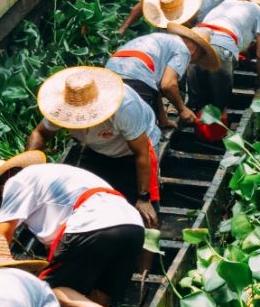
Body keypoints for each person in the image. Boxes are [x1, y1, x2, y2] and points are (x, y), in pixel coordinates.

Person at [0, 151, 142, 307]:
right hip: (132, 225)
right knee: (98, 301)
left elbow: (1, 238)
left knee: (47, 291)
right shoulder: (49, 179)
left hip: (93, 223)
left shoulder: (15, 183)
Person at [27, 66, 160, 228]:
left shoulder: (124, 106)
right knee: (87, 202)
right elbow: (40, 134)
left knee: (140, 213)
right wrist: (28, 169)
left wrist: (143, 198)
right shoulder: (60, 109)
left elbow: (142, 154)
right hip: (96, 148)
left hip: (134, 150)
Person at [106, 26, 220, 130]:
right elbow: (168, 85)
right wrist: (182, 109)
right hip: (135, 77)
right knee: (140, 130)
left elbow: (154, 87)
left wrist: (163, 120)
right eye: (200, 56)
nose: (192, 62)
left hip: (108, 75)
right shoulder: (183, 50)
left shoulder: (162, 41)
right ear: (195, 49)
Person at [190, 0, 260, 106]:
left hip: (197, 43)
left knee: (195, 102)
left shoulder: (228, 3)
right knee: (219, 105)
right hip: (222, 47)